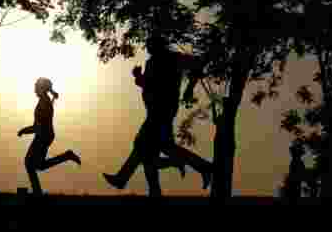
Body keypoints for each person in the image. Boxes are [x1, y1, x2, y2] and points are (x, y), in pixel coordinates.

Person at [103, 31, 213, 196]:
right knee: (151, 150)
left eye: (150, 45)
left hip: (163, 109)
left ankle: (124, 179)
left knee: (144, 145)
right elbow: (149, 85)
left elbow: (198, 64)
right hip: (154, 109)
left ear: (159, 45)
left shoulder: (174, 58)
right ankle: (153, 188)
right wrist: (138, 77)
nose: (147, 48)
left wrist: (190, 88)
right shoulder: (152, 62)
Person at [18, 77, 81, 196]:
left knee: (29, 163)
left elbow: (37, 126)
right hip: (45, 135)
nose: (34, 90)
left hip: (43, 136)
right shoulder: (44, 101)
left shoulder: (44, 102)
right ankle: (67, 156)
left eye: (36, 87)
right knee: (39, 165)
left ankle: (37, 193)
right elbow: (38, 125)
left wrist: (24, 130)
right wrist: (27, 130)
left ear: (41, 88)